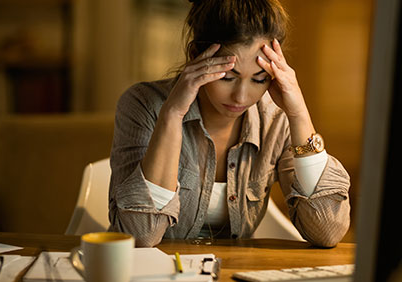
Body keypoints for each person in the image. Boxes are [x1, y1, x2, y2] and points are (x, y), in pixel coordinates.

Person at [108, 0, 351, 248]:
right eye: (227, 77)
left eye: (259, 79)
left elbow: (327, 230)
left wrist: (299, 113)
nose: (241, 97)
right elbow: (140, 236)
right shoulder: (143, 105)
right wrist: (172, 114)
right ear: (196, 57)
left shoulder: (275, 118)